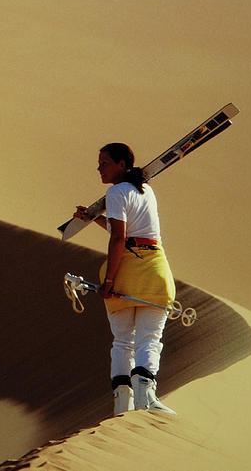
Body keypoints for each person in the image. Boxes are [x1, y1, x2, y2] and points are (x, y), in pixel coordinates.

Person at [73, 143, 176, 416]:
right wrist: (93, 218)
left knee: (122, 341)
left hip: (125, 270)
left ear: (122, 164)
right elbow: (128, 231)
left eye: (104, 163)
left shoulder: (116, 192)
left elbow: (119, 236)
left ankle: (122, 406)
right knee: (150, 338)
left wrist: (109, 280)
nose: (99, 168)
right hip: (153, 268)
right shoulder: (146, 191)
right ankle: (146, 399)